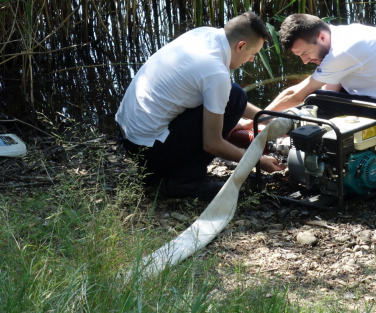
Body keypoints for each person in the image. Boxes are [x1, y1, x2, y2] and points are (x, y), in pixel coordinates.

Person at [115, 12, 285, 199]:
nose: (252, 59)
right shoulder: (215, 73)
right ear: (241, 45)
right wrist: (257, 161)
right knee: (236, 96)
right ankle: (183, 182)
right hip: (147, 152)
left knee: (234, 94)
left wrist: (268, 117)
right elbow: (212, 144)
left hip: (130, 139)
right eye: (253, 54)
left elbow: (222, 96)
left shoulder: (204, 34)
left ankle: (163, 172)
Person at [265, 14, 376, 179]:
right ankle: (342, 154)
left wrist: (254, 121)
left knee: (316, 101)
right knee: (323, 102)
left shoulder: (342, 51)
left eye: (305, 53)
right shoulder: (342, 36)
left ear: (322, 37)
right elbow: (330, 92)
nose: (305, 61)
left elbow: (295, 95)